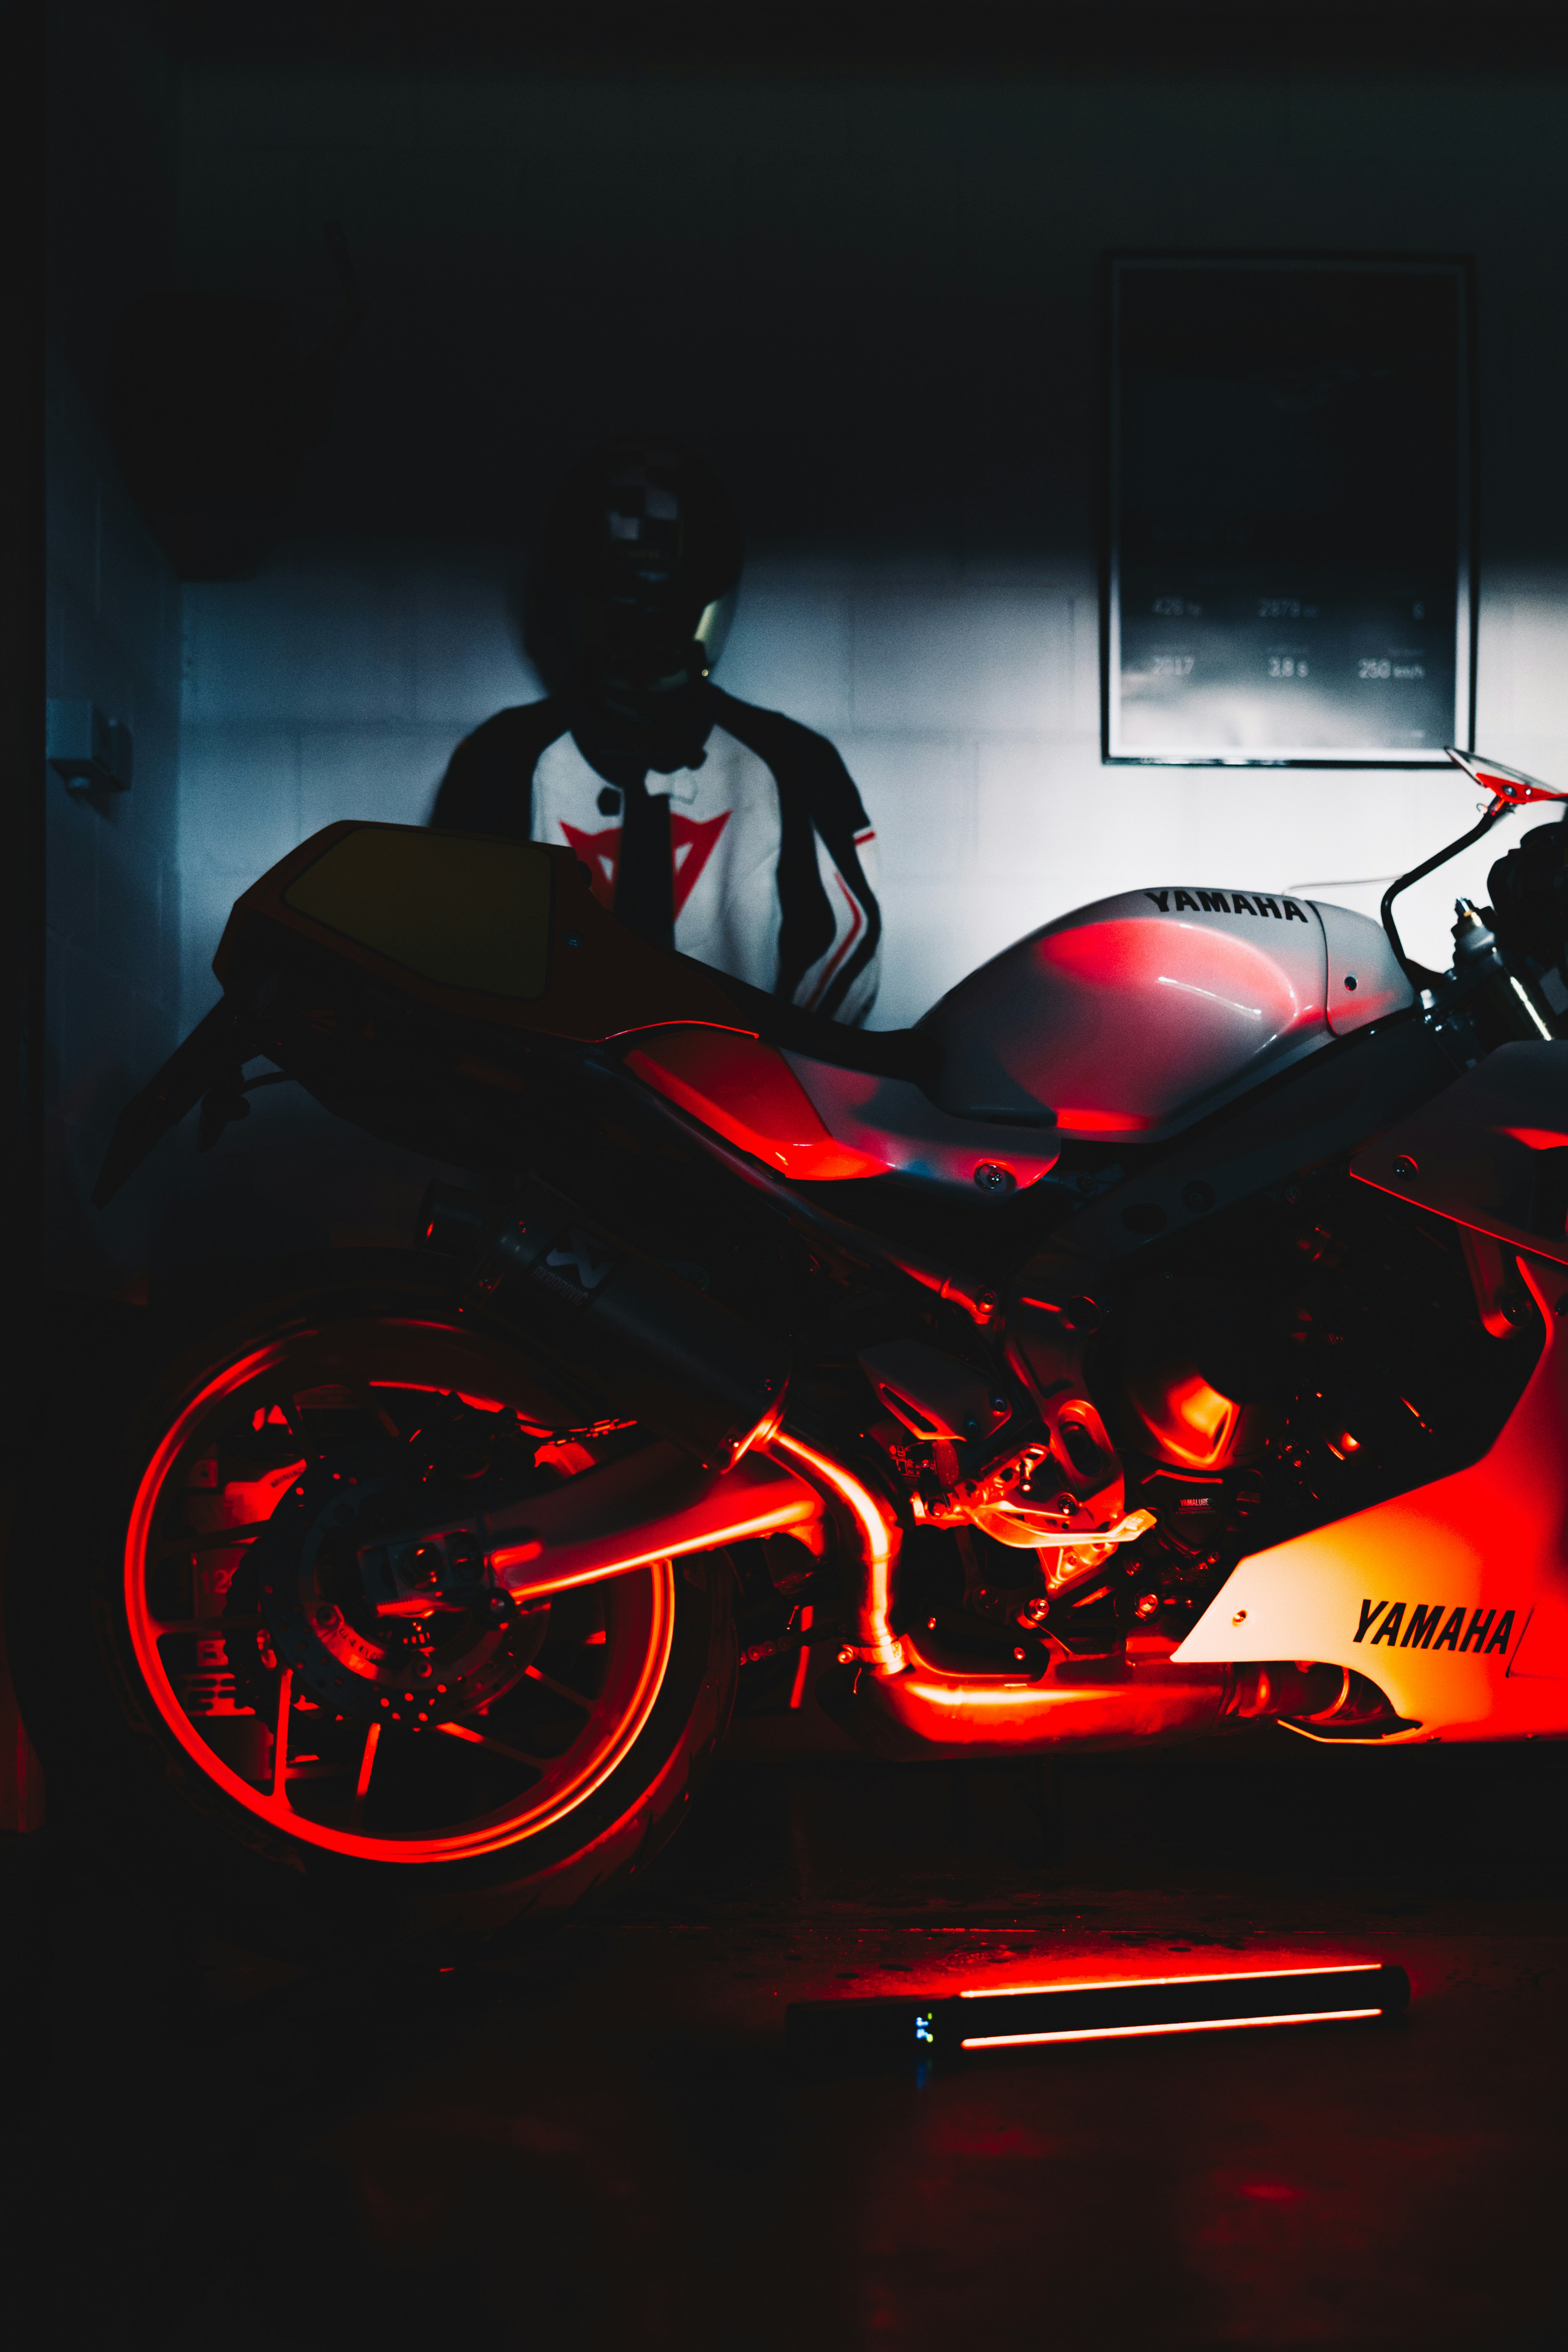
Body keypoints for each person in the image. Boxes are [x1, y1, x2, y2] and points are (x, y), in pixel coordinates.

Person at [430, 436, 880, 1024]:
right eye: (618, 613)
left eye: (666, 614)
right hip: (552, 1108)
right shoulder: (501, 761)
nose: (642, 642)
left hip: (728, 1109)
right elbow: (451, 973)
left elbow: (842, 969)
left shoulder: (794, 766)